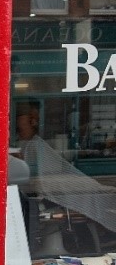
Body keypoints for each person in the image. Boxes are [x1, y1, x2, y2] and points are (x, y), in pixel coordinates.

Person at [15, 102, 116, 237]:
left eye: (34, 118)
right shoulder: (24, 144)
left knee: (92, 189)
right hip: (41, 187)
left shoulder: (36, 144)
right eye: (29, 117)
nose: (33, 121)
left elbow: (47, 175)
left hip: (53, 185)